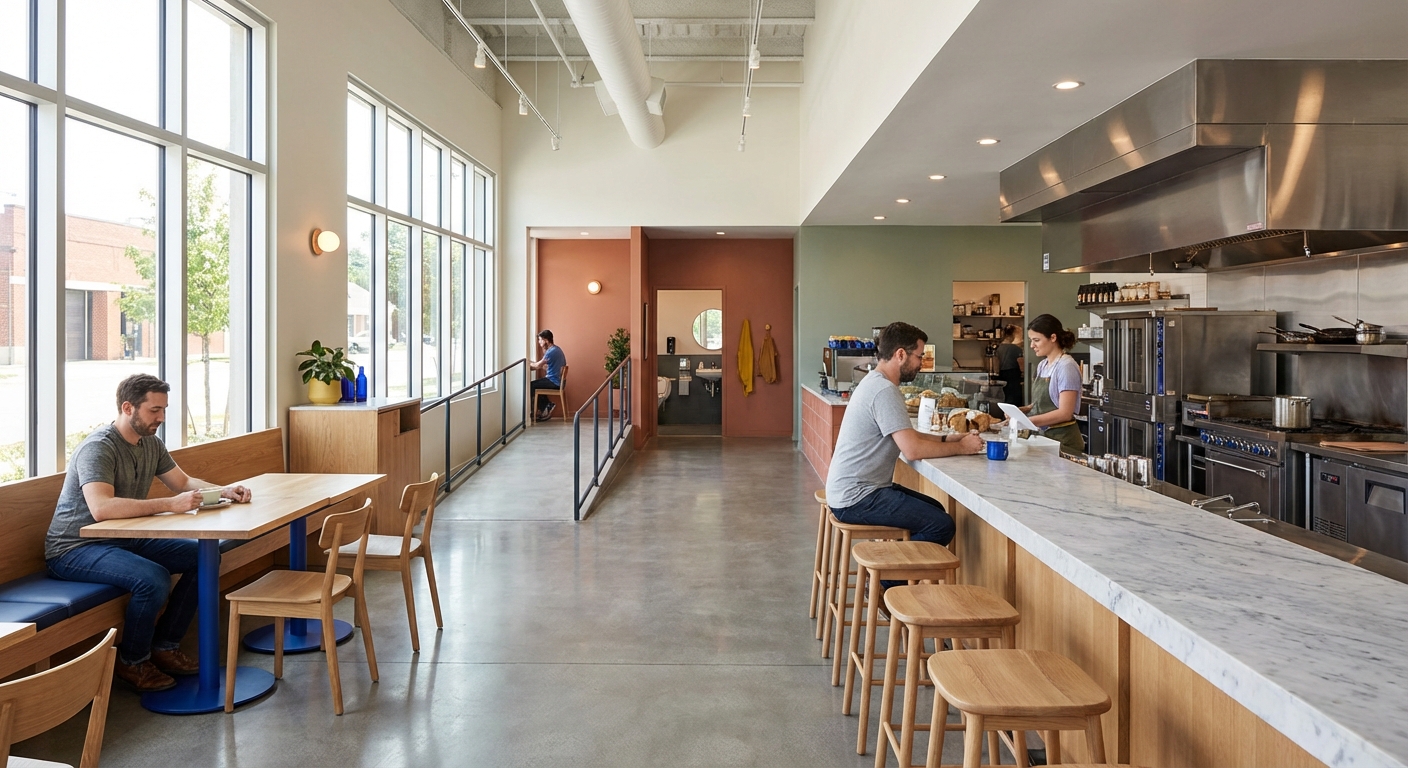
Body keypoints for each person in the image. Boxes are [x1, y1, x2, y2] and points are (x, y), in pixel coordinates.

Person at [45, 374, 253, 693]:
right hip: (75, 548)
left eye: (164, 409)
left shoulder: (150, 443)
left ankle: (165, 646)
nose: (162, 418)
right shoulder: (98, 448)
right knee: (153, 578)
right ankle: (132, 662)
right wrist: (171, 504)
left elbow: (182, 484)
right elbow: (101, 508)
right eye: (155, 410)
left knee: (205, 557)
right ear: (128, 407)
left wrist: (224, 490)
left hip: (122, 538)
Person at [825, 322, 985, 550]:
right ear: (901, 354)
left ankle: (892, 566)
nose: (921, 363)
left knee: (935, 510)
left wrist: (946, 439)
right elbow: (912, 450)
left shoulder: (874, 383)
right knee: (941, 525)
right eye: (919, 356)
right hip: (857, 497)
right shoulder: (884, 391)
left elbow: (907, 435)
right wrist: (963, 448)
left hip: (852, 491)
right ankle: (886, 580)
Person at [1020, 314, 1085, 456]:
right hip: (1046, 439)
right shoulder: (1043, 365)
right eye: (1031, 340)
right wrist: (1020, 412)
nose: (1032, 345)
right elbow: (1041, 404)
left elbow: (1065, 413)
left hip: (1064, 442)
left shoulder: (1066, 366)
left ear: (1053, 338)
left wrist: (1028, 422)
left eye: (1036, 340)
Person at [529, 329, 566, 420]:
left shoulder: (551, 352)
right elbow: (545, 366)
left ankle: (540, 410)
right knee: (538, 384)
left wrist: (527, 364)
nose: (539, 342)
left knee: (531, 386)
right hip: (558, 381)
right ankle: (546, 407)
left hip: (554, 381)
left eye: (540, 340)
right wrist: (534, 364)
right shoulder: (556, 349)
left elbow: (538, 366)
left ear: (546, 340)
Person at [995, 324, 1024, 405]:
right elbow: (1022, 365)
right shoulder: (1016, 349)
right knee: (1013, 400)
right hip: (1013, 377)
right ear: (1014, 334)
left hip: (1001, 375)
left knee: (1005, 399)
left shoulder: (999, 347)